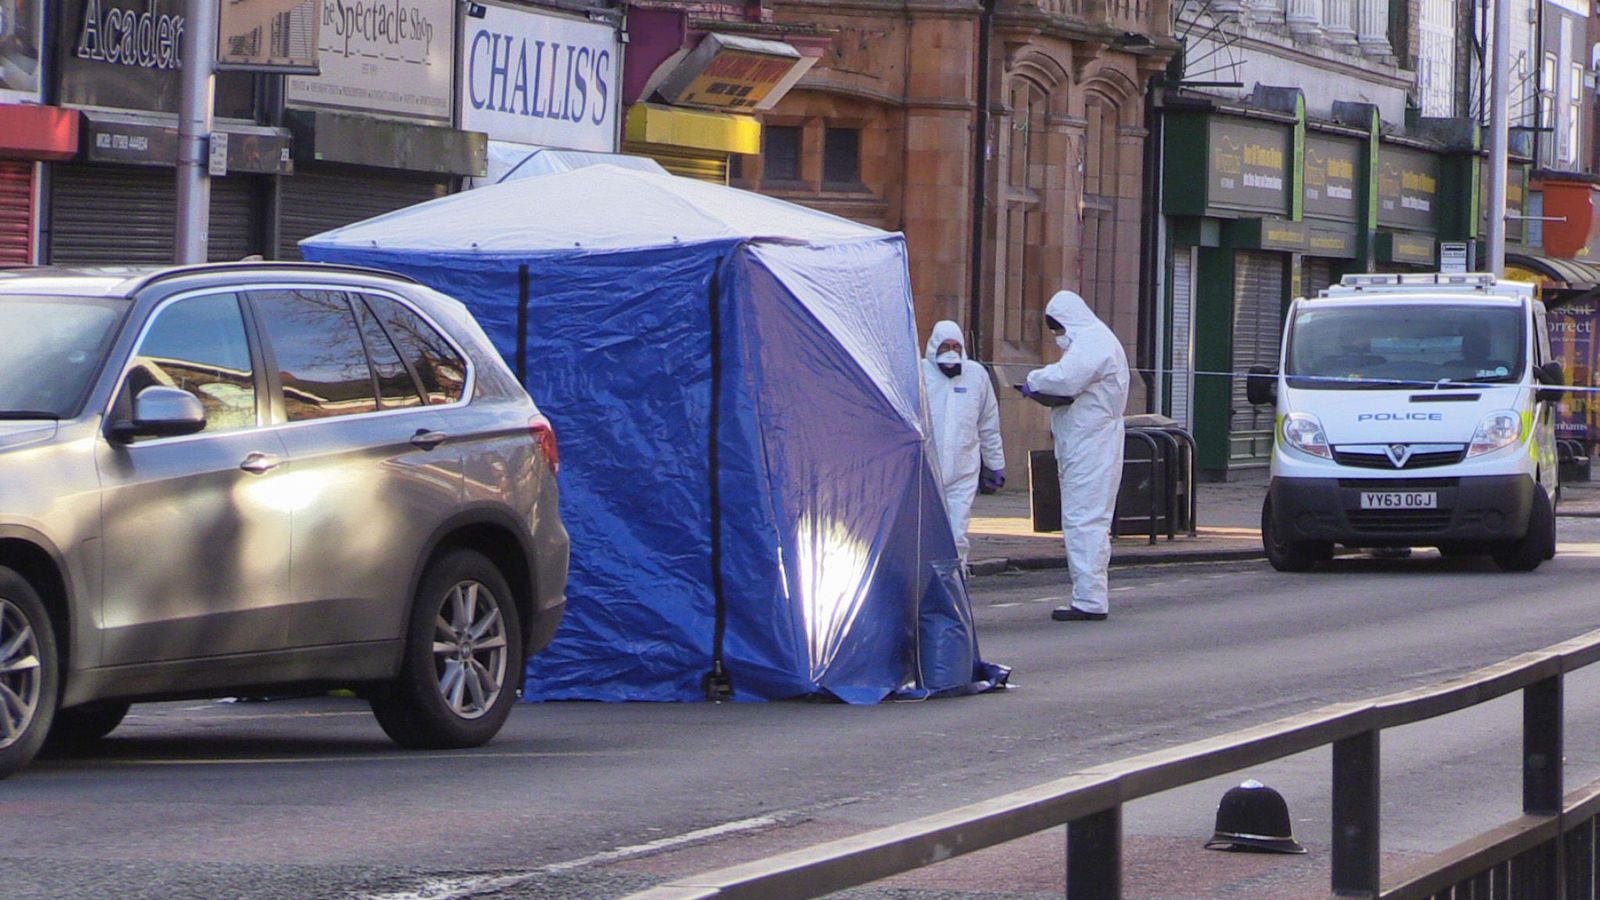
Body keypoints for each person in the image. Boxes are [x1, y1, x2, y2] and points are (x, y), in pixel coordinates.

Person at [1022, 291, 1130, 622]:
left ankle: (1089, 599)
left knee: (1085, 519)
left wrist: (1033, 379)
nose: (1057, 337)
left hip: (1091, 443)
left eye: (1057, 329)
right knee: (1085, 518)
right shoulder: (1093, 339)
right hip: (1087, 441)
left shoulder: (1092, 340)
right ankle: (1088, 595)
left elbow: (1066, 377)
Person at [922, 320, 1005, 566]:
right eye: (945, 346)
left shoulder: (976, 376)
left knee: (957, 534)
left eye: (955, 346)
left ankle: (953, 588)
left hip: (963, 471)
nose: (950, 351)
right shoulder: (919, 373)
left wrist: (995, 463)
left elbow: (988, 423)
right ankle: (926, 588)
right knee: (925, 533)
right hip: (925, 470)